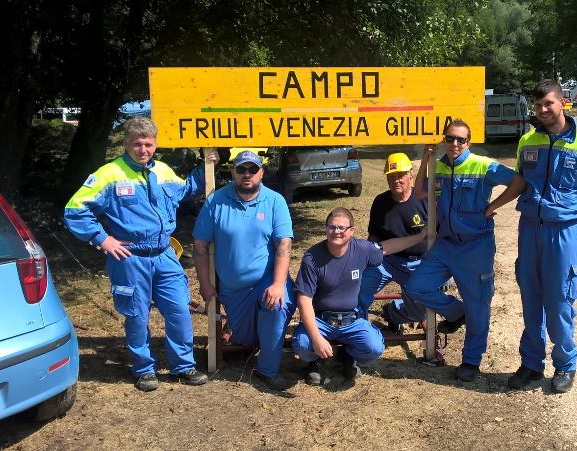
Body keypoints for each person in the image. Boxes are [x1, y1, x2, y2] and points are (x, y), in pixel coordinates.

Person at [64, 117, 218, 391]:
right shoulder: (109, 174)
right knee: (137, 315)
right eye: (137, 144)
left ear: (155, 144)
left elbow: (185, 190)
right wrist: (102, 239)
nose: (143, 150)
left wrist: (207, 164)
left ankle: (183, 365)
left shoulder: (163, 170)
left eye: (148, 144)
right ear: (126, 143)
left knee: (179, 310)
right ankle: (144, 369)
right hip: (129, 258)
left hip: (165, 255)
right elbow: (75, 210)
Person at [486, 79, 577, 393]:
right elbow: (521, 180)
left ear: (562, 103)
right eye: (538, 105)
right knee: (530, 298)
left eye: (548, 103)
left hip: (564, 233)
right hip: (530, 229)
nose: (542, 110)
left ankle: (565, 364)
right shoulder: (527, 141)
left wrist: (573, 221)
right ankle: (531, 364)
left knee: (559, 301)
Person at [405, 118, 521, 382]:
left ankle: (471, 361)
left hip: (475, 246)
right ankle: (458, 312)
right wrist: (426, 159)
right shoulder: (438, 166)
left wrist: (493, 207)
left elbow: (518, 182)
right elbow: (420, 192)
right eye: (450, 138)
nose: (454, 143)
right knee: (416, 287)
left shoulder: (482, 165)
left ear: (468, 142)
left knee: (478, 304)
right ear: (444, 140)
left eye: (460, 139)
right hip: (445, 244)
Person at [192, 150, 295, 391]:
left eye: (252, 169)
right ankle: (245, 336)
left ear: (261, 172)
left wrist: (278, 284)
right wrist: (205, 284)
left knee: (276, 306)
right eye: (241, 169)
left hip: (267, 278)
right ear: (233, 172)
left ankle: (267, 370)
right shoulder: (216, 201)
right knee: (248, 339)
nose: (247, 174)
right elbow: (199, 245)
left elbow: (284, 244)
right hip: (233, 290)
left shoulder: (275, 201)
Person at [292, 207, 427, 386]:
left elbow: (387, 248)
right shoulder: (312, 257)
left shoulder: (362, 249)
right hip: (321, 320)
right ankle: (315, 361)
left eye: (342, 228)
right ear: (326, 229)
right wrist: (316, 339)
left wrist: (420, 237)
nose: (336, 232)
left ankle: (348, 355)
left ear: (352, 231)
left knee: (375, 348)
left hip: (352, 320)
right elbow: (304, 300)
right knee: (302, 344)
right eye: (331, 227)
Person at [357, 152, 435, 333]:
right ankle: (359, 333)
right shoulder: (380, 202)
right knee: (359, 291)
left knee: (418, 313)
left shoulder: (425, 199)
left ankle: (393, 311)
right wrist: (366, 261)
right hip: (386, 261)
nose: (396, 180)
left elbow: (441, 235)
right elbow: (374, 235)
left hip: (419, 263)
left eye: (400, 175)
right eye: (391, 176)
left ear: (410, 176)